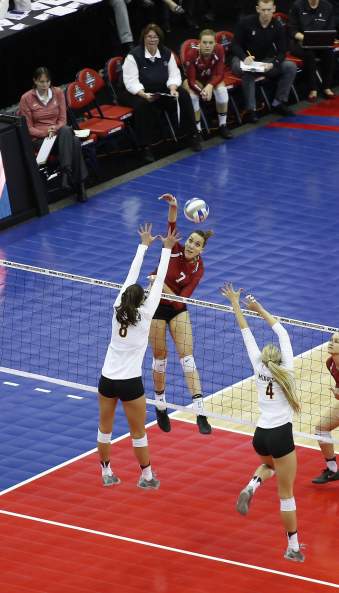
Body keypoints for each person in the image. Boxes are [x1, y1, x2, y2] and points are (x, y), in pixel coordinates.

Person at [222, 285, 304, 563]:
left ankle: (251, 487)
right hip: (281, 435)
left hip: (261, 435)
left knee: (269, 466)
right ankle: (293, 547)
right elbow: (282, 332)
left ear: (264, 359)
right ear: (279, 359)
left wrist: (236, 303)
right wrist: (259, 308)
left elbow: (245, 331)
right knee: (287, 495)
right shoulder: (288, 370)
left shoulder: (259, 367)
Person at [97, 222, 180, 489]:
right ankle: (146, 477)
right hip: (130, 382)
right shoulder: (145, 316)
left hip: (107, 379)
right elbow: (159, 279)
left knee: (105, 428)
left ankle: (106, 473)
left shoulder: (117, 307)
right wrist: (166, 249)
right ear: (142, 299)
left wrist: (143, 245)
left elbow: (130, 278)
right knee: (138, 432)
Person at [149, 193, 213, 435]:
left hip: (175, 309)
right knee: (160, 358)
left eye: (197, 244)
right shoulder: (173, 248)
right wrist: (174, 206)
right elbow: (172, 225)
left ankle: (200, 411)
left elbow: (179, 301)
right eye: (190, 241)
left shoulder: (198, 269)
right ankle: (161, 405)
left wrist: (159, 282)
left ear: (201, 250)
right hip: (155, 306)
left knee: (187, 359)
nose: (191, 245)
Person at [120, 23, 202, 163]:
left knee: (183, 95)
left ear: (160, 39)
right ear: (144, 38)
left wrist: (173, 88)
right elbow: (130, 81)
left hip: (163, 89)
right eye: (149, 36)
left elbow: (174, 74)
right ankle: (146, 147)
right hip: (139, 92)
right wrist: (143, 94)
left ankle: (192, 135)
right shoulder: (133, 56)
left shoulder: (166, 52)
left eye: (155, 37)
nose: (152, 39)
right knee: (142, 106)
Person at [19, 67, 88, 202]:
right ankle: (78, 185)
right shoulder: (26, 98)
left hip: (59, 136)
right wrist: (46, 132)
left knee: (67, 132)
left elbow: (63, 120)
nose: (45, 85)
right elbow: (28, 128)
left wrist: (54, 130)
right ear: (35, 81)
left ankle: (66, 172)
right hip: (40, 140)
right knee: (73, 141)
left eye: (47, 81)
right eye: (41, 82)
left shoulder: (57, 93)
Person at [231, 0, 297, 123]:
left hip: (264, 61)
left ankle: (278, 102)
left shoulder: (277, 25)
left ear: (274, 9)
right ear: (257, 9)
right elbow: (234, 45)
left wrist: (274, 63)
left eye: (268, 10)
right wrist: (244, 57)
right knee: (247, 71)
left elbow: (282, 51)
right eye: (263, 10)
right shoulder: (246, 22)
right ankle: (251, 110)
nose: (266, 13)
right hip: (243, 60)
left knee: (290, 67)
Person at [183, 29, 233, 139]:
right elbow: (191, 81)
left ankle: (223, 125)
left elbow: (220, 74)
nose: (207, 46)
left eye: (210, 43)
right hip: (196, 81)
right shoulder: (191, 54)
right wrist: (202, 92)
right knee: (192, 96)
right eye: (204, 42)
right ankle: (198, 130)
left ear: (215, 43)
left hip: (211, 78)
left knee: (222, 91)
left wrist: (210, 86)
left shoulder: (219, 49)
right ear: (199, 43)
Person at [288, 0, 336, 102]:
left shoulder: (328, 6)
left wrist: (322, 39)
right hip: (301, 42)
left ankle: (326, 87)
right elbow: (292, 30)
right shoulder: (298, 5)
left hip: (321, 43)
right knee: (308, 53)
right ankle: (313, 89)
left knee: (329, 52)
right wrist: (305, 38)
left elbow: (330, 28)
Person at [312, 332, 339, 484]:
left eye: (336, 341)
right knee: (321, 428)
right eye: (331, 340)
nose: (331, 343)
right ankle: (332, 469)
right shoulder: (331, 363)